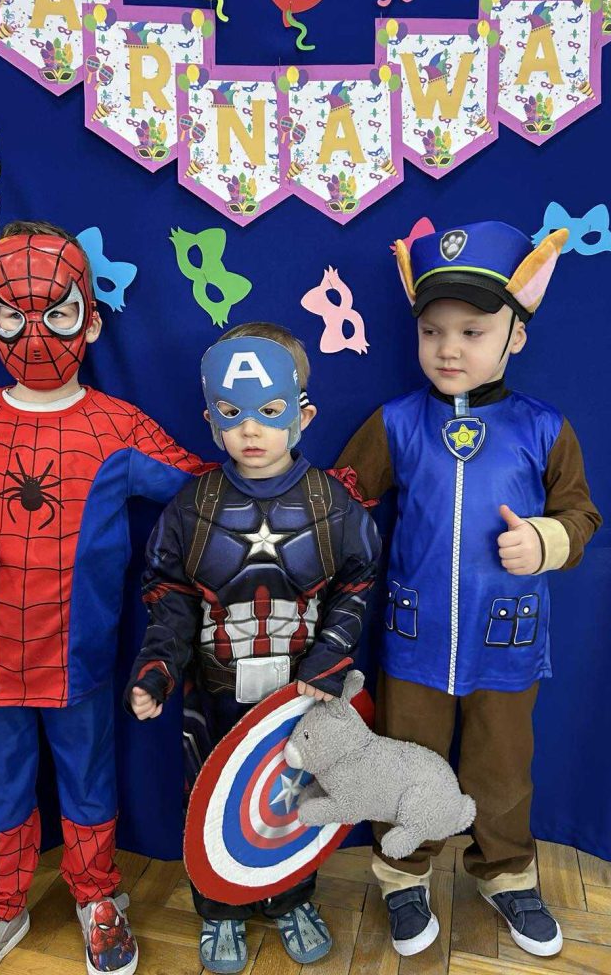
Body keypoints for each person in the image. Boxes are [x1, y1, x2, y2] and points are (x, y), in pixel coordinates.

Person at [0, 221, 212, 975]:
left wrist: (303, 490)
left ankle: (97, 895)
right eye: (13, 315)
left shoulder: (116, 426)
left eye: (55, 314)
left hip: (79, 651)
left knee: (89, 776)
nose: (34, 336)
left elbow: (200, 485)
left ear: (90, 320)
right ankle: (0, 907)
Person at [336, 222, 602, 960]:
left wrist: (546, 542)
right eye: (432, 331)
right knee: (404, 762)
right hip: (414, 640)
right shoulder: (397, 421)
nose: (448, 349)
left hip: (507, 641)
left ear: (516, 335)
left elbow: (581, 515)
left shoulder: (544, 428)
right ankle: (403, 875)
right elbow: (342, 502)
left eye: (472, 331)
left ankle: (507, 872)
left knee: (501, 770)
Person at [125, 323, 381, 974]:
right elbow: (168, 594)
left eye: (269, 411)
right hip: (213, 697)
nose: (250, 430)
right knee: (209, 801)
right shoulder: (192, 508)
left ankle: (291, 897)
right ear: (211, 422)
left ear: (302, 415)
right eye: (231, 413)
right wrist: (157, 669)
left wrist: (330, 656)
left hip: (300, 698)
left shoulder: (332, 506)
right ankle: (219, 910)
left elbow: (358, 582)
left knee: (296, 800)